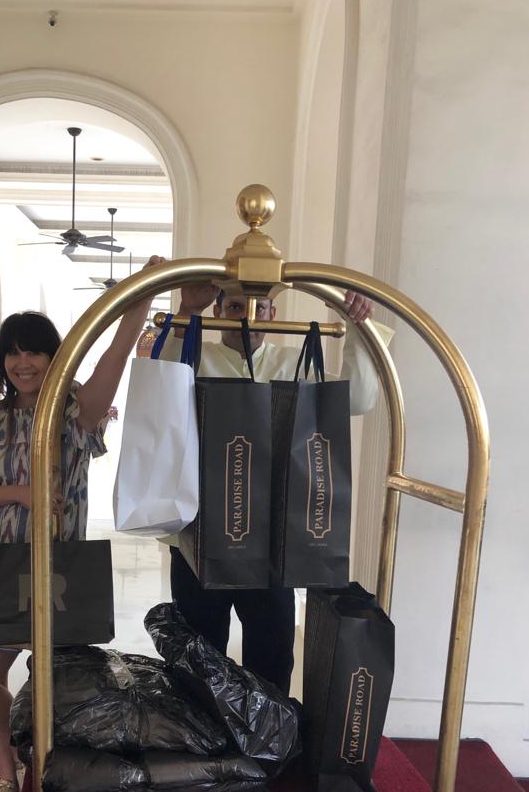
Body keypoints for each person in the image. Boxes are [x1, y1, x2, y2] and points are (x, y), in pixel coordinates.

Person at [0, 258, 164, 792]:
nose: (23, 362)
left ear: (55, 357)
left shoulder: (75, 414)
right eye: (12, 352)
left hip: (48, 570)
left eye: (34, 350)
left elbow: (112, 362)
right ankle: (11, 775)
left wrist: (137, 301)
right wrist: (23, 493)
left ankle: (34, 765)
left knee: (15, 684)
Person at [157, 282, 394, 697]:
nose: (249, 317)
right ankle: (199, 732)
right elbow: (161, 389)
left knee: (272, 651)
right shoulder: (194, 358)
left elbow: (357, 399)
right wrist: (186, 312)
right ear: (219, 312)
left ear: (274, 313)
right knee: (198, 651)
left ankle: (268, 732)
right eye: (236, 306)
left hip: (272, 541)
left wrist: (358, 327)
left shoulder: (294, 364)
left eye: (261, 308)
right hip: (199, 534)